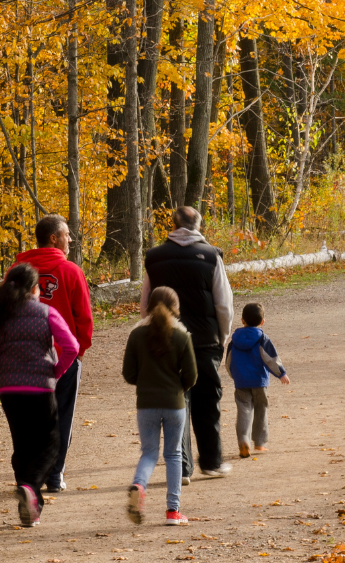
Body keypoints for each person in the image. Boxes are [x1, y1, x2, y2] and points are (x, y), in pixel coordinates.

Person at [0, 262, 79, 527]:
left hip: (9, 390)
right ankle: (30, 488)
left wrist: (1, 372)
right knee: (51, 443)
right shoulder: (46, 312)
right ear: (35, 288)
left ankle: (29, 505)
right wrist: (56, 371)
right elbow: (71, 346)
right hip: (40, 387)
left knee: (22, 444)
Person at [140, 206, 233, 480]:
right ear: (198, 225)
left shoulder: (154, 257)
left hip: (164, 341)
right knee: (208, 401)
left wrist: (149, 333)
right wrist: (222, 336)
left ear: (173, 224)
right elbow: (223, 303)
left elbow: (145, 303)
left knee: (176, 403)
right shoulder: (211, 255)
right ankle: (212, 462)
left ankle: (181, 468)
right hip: (204, 342)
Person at [15, 214, 93, 493]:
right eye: (67, 234)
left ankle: (28, 475)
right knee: (62, 414)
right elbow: (83, 316)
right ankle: (54, 474)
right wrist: (80, 349)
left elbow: (3, 311)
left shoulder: (17, 269)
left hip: (24, 355)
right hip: (64, 356)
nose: (70, 239)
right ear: (54, 238)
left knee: (28, 418)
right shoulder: (71, 271)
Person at [122, 286, 198, 526]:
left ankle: (139, 485)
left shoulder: (136, 335)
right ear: (176, 308)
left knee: (150, 452)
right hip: (175, 403)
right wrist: (178, 387)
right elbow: (192, 376)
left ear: (148, 306)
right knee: (174, 454)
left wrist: (145, 382)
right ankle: (173, 512)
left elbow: (128, 373)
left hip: (146, 404)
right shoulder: (182, 335)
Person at [225, 302, 290, 457]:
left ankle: (243, 439)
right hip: (259, 381)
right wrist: (281, 373)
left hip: (241, 382)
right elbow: (270, 358)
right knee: (261, 409)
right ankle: (260, 443)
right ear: (262, 322)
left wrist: (234, 375)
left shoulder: (234, 340)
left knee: (244, 410)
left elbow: (229, 361)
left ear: (242, 320)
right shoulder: (262, 338)